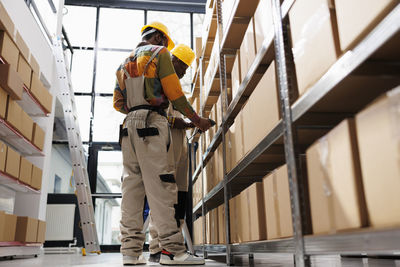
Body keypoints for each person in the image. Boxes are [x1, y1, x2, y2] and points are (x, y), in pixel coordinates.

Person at [113, 21, 211, 265]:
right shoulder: (160, 53)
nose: (166, 46)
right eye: (165, 42)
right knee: (161, 187)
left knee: (132, 191)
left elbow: (117, 103)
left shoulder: (124, 63)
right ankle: (172, 252)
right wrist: (197, 120)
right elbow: (175, 95)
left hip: (128, 128)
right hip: (152, 124)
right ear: (157, 37)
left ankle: (131, 253)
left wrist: (135, 108)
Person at [148, 44, 196, 263]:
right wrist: (178, 121)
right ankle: (157, 248)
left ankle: (173, 249)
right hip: (166, 151)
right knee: (164, 199)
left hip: (179, 154)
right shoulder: (159, 86)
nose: (185, 71)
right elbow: (156, 116)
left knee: (178, 201)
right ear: (172, 61)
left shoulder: (176, 90)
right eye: (183, 66)